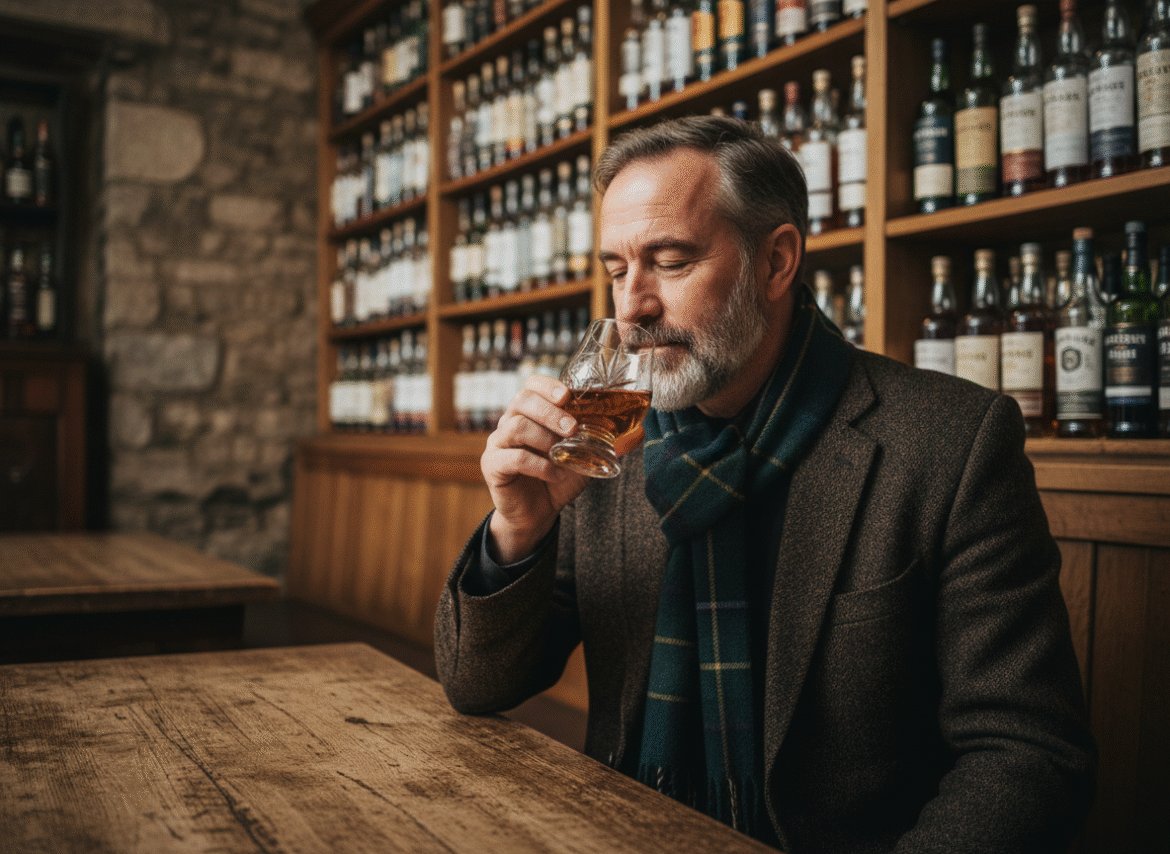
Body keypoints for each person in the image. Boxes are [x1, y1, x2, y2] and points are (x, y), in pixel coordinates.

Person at [434, 116, 1095, 853]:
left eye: (670, 262)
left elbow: (1029, 757)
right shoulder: (604, 446)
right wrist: (517, 531)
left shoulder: (949, 442)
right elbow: (478, 684)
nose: (631, 307)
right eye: (617, 271)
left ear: (776, 262)